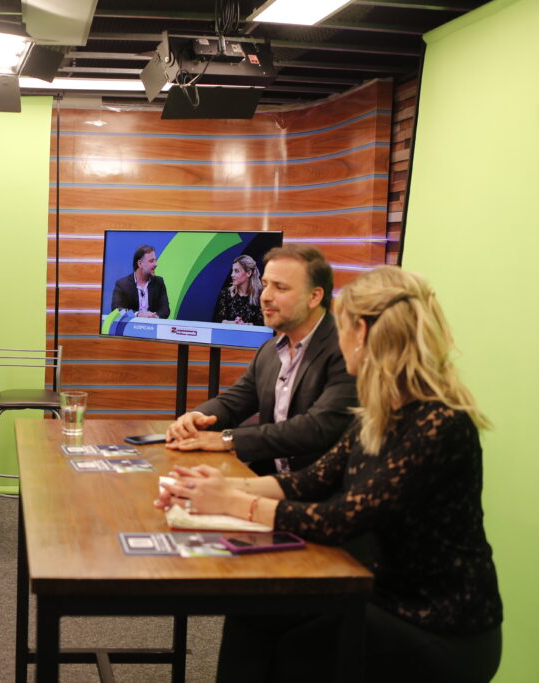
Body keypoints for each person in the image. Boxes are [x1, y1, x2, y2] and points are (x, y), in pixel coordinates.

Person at [157, 266, 502, 683]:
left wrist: (233, 503)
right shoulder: (380, 414)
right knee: (253, 613)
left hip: (439, 624)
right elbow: (310, 481)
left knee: (301, 649)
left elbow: (340, 518)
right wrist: (208, 489)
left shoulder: (439, 424)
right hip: (381, 596)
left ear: (361, 332)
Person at [166, 245, 356, 475]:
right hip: (266, 478)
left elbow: (316, 428)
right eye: (265, 285)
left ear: (314, 296)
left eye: (280, 288)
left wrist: (228, 439)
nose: (265, 296)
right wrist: (195, 418)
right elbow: (233, 403)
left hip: (321, 487)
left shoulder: (347, 349)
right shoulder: (269, 350)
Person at [110, 245, 170, 319]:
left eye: (155, 260)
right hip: (130, 325)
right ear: (140, 264)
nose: (156, 264)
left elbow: (165, 310)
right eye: (151, 261)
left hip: (153, 325)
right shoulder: (122, 284)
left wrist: (154, 317)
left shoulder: (159, 282)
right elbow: (116, 310)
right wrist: (137, 314)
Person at [213, 254, 264, 326]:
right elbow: (218, 320)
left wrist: (247, 325)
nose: (232, 275)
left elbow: (264, 323)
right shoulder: (226, 293)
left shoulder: (261, 296)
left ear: (248, 273)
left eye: (236, 271)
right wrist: (234, 323)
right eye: (232, 271)